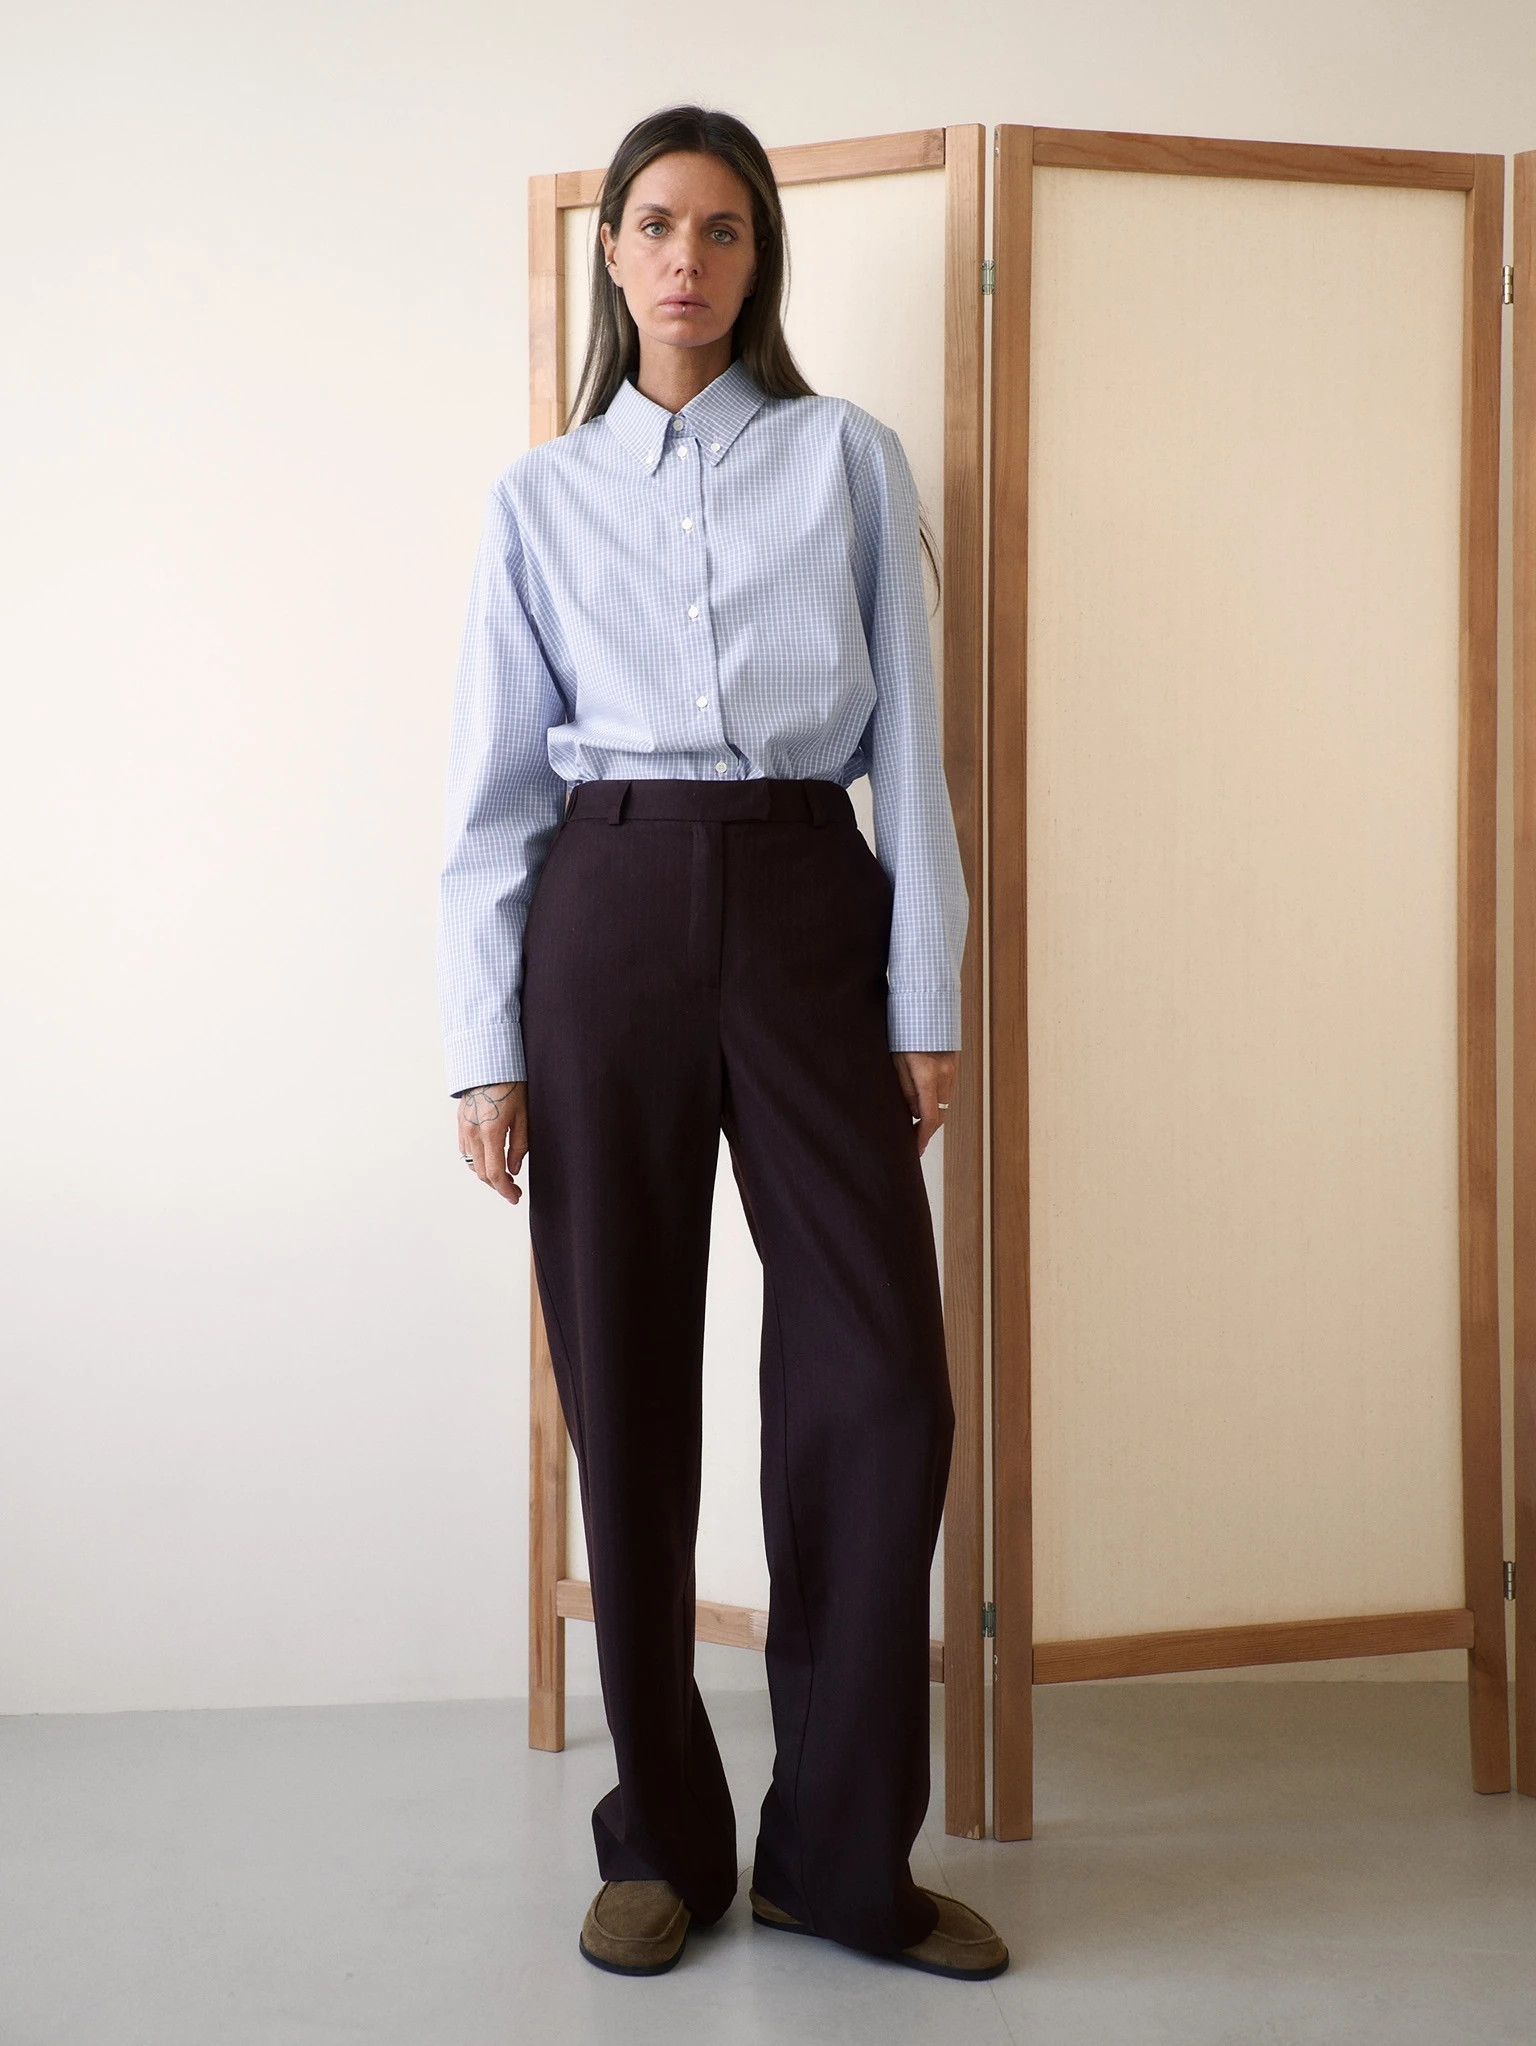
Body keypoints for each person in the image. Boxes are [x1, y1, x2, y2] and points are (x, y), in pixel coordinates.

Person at [436, 103, 1008, 1983]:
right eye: (657, 225)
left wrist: (923, 997)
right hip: (601, 915)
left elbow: (911, 748)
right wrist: (485, 1044)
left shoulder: (846, 458)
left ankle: (841, 1856)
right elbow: (492, 796)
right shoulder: (537, 500)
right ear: (610, 252)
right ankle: (664, 1839)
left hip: (804, 901)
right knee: (626, 1377)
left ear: (762, 258)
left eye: (725, 228)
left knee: (880, 1379)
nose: (688, 258)